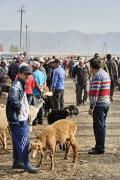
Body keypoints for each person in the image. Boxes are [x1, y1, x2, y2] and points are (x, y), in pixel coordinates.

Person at [6, 66, 38, 173]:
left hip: (18, 118)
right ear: (19, 74)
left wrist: (26, 111)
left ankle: (17, 162)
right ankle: (26, 164)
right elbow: (13, 99)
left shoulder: (20, 84)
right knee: (24, 142)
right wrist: (20, 109)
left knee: (17, 142)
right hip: (18, 119)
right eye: (25, 74)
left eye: (29, 74)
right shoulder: (16, 86)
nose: (27, 76)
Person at [88, 58, 111, 154]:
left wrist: (91, 107)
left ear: (92, 66)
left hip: (99, 104)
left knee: (98, 126)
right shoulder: (105, 73)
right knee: (102, 125)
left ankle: (100, 148)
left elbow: (94, 93)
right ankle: (99, 145)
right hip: (105, 102)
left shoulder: (97, 76)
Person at [31, 60, 46, 125]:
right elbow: (45, 83)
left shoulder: (33, 74)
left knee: (35, 107)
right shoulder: (42, 73)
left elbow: (36, 84)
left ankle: (35, 121)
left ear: (34, 67)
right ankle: (41, 120)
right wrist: (42, 89)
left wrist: (40, 90)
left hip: (35, 92)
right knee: (40, 106)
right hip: (41, 92)